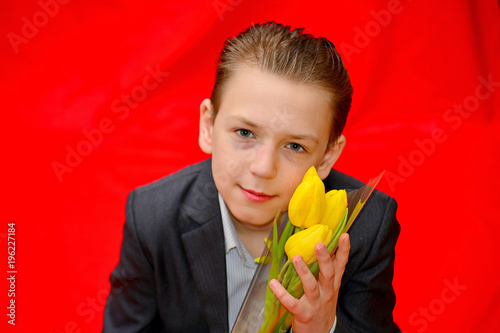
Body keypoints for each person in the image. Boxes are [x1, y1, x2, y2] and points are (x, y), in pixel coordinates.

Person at [103, 22, 400, 333]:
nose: (263, 167)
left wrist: (324, 329)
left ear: (326, 156)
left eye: (295, 146)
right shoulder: (154, 216)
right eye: (245, 133)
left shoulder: (364, 225)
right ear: (208, 126)